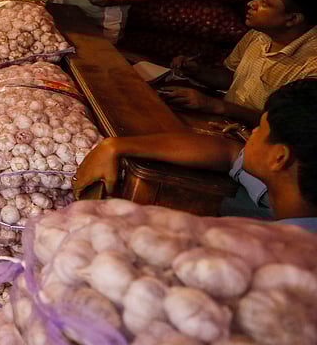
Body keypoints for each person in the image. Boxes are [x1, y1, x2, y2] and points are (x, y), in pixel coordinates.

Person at [73, 78, 317, 232]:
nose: (250, 132)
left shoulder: (287, 255)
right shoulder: (290, 183)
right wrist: (115, 146)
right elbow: (228, 152)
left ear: (279, 158)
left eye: (260, 130)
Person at [164, 0, 317, 125]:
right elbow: (232, 76)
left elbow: (285, 126)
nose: (251, 4)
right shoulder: (257, 35)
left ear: (292, 19)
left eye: (264, 3)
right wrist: (198, 72)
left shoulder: (311, 65)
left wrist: (214, 105)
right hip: (225, 122)